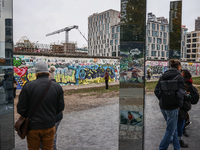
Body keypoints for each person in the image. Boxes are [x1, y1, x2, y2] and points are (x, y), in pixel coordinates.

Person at [17, 60, 65, 150]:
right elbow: (60, 108)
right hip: (49, 125)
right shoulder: (57, 86)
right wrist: (50, 116)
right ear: (47, 72)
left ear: (36, 73)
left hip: (33, 127)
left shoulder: (28, 86)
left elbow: (21, 109)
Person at [154, 59, 185, 150]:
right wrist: (179, 105)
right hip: (173, 108)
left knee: (173, 128)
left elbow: (156, 90)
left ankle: (177, 148)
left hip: (163, 107)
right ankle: (162, 148)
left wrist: (163, 99)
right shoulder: (179, 77)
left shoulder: (163, 75)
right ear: (178, 67)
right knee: (170, 131)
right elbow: (181, 93)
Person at [49, 65, 63, 150]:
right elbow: (61, 106)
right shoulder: (58, 87)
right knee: (53, 134)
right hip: (56, 116)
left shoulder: (32, 86)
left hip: (43, 117)